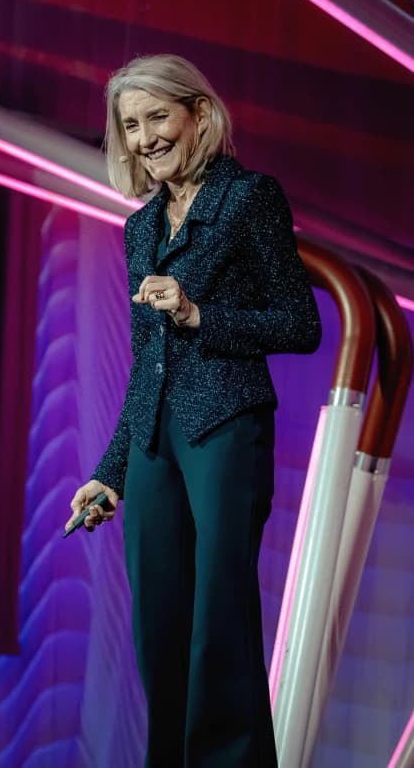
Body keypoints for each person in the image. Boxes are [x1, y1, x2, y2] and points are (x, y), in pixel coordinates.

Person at [65, 54, 321, 767]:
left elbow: (300, 324)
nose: (144, 137)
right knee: (160, 630)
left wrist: (200, 314)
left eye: (156, 117)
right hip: (151, 443)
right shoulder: (138, 228)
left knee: (218, 626)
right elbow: (145, 363)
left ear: (197, 115)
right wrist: (111, 471)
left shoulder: (249, 198)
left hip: (224, 427)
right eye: (130, 124)